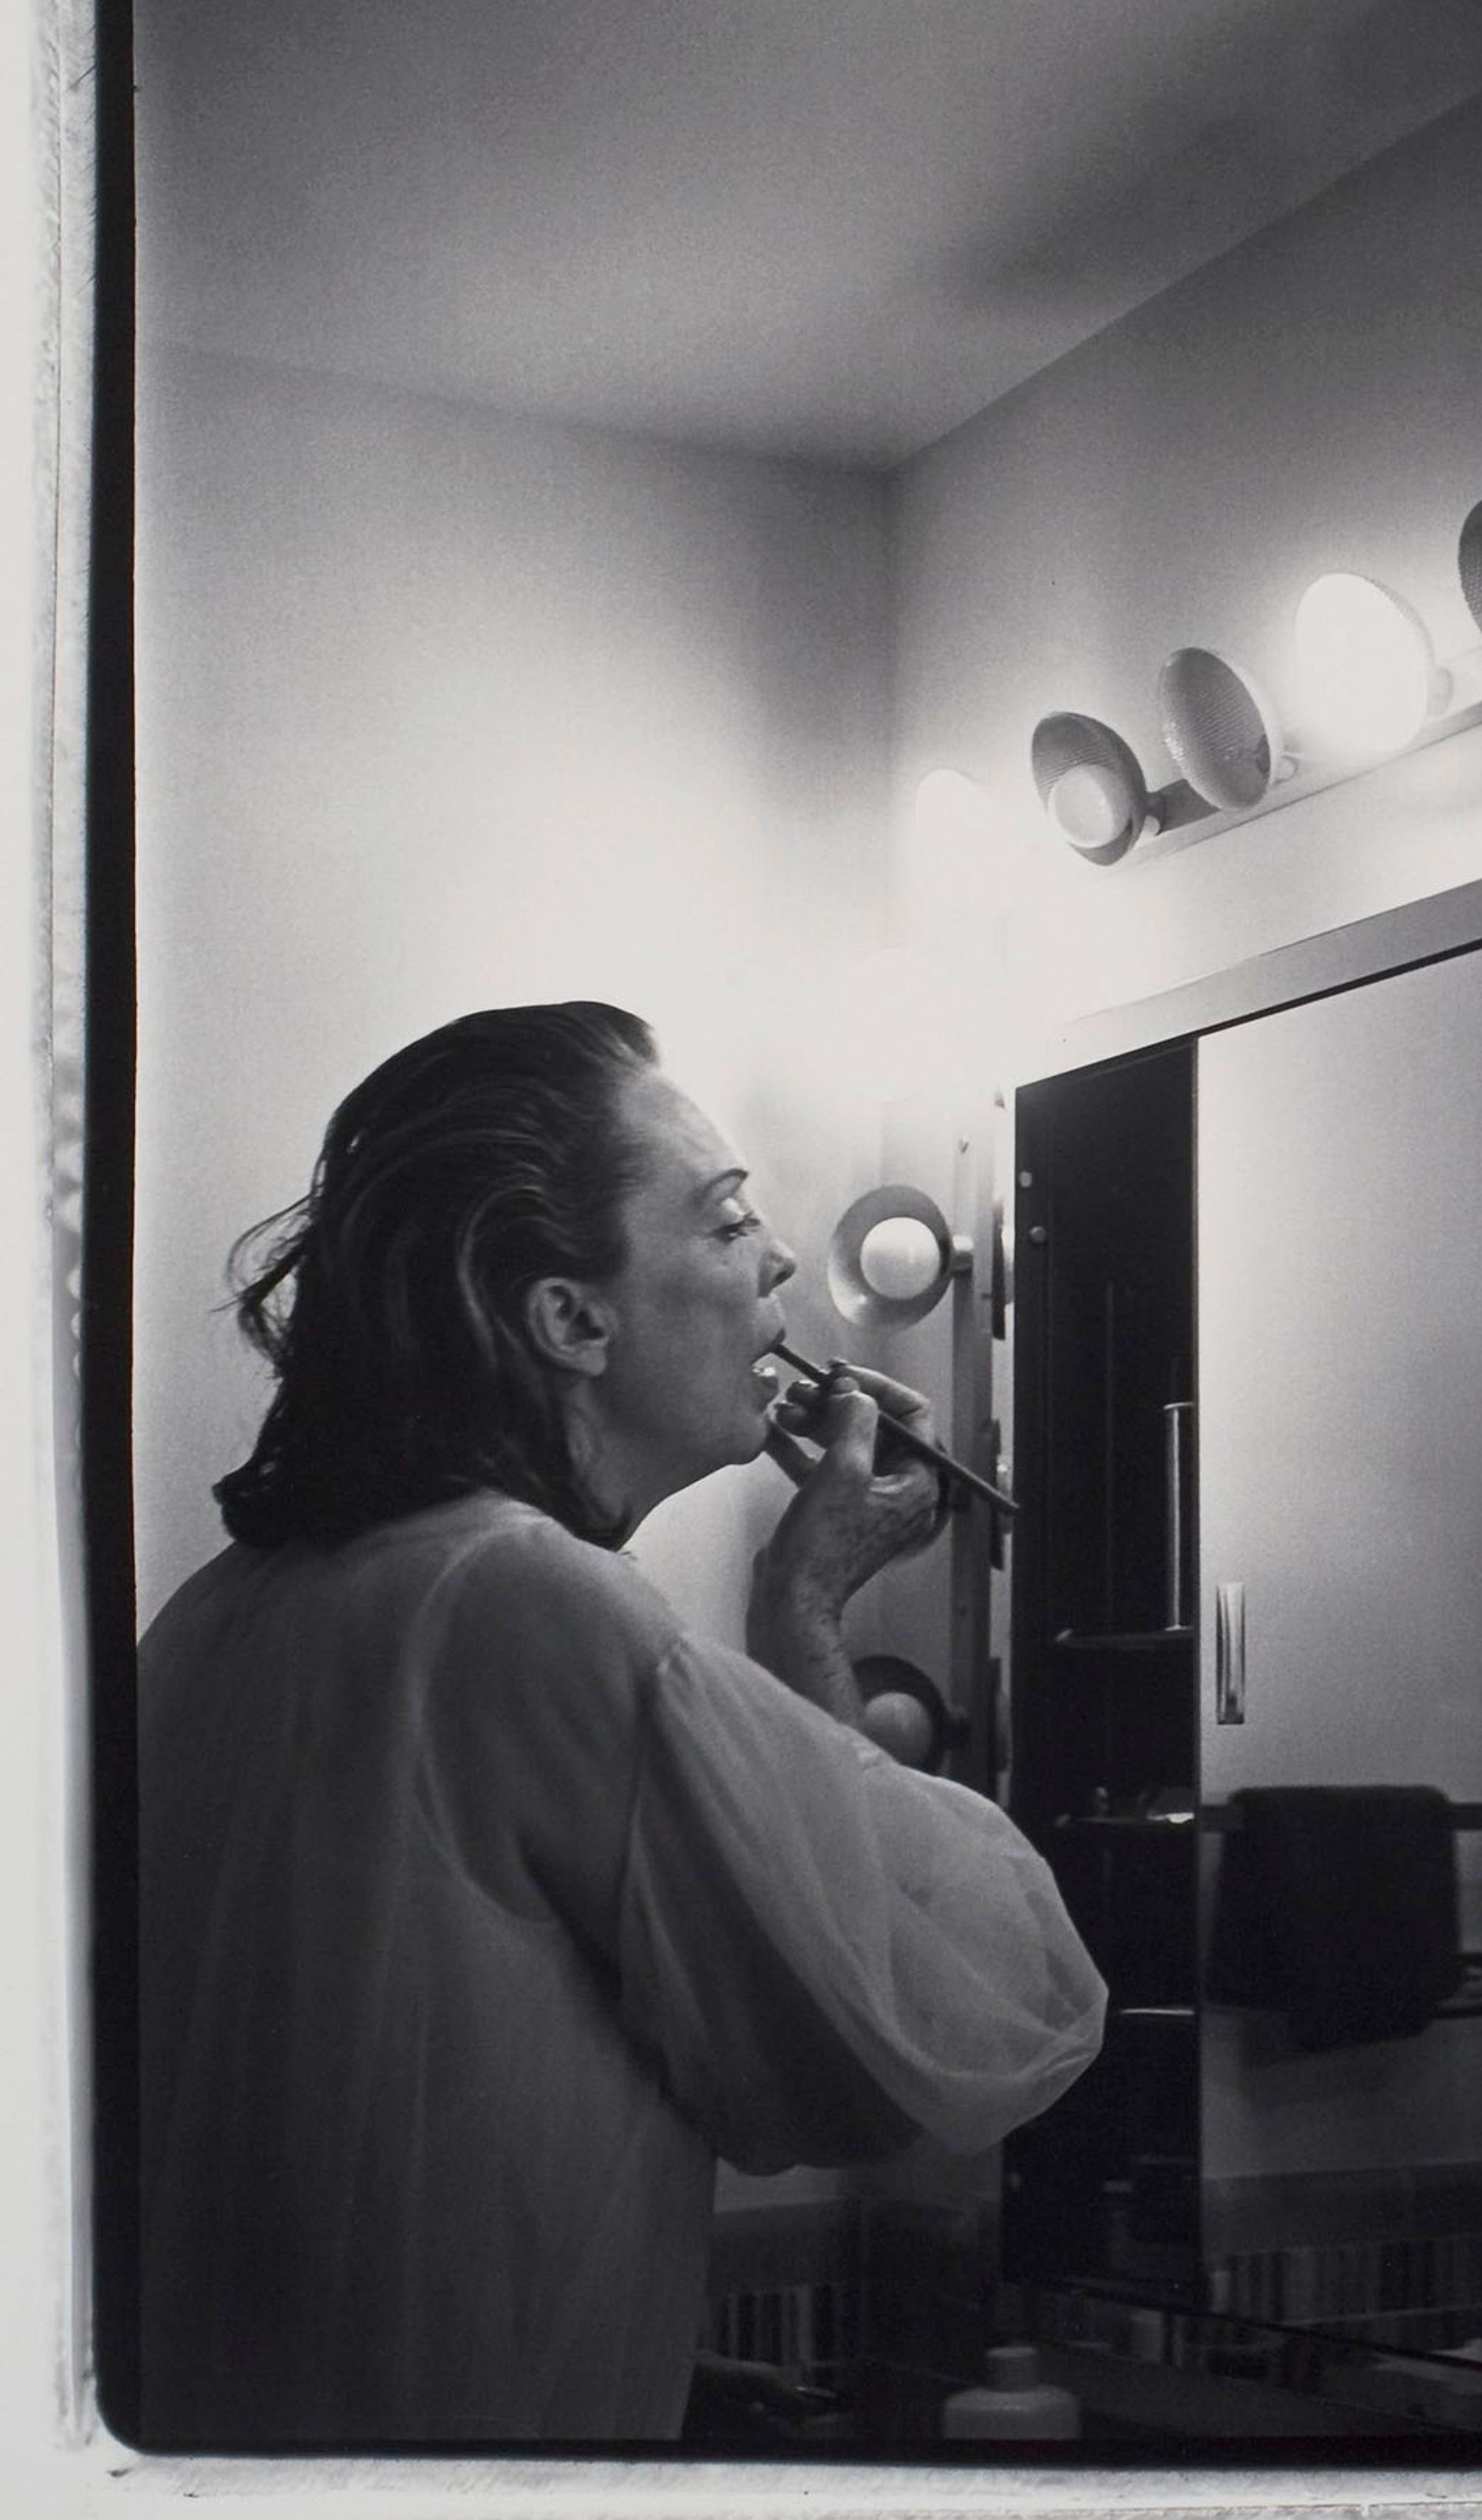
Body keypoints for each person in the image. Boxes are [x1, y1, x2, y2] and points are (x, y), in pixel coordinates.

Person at [135, 1002, 1107, 2445]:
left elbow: (357, 2134)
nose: (778, 1257)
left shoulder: (216, 1615)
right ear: (570, 1319)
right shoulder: (529, 1605)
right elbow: (938, 2022)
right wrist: (807, 1609)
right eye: (724, 1226)